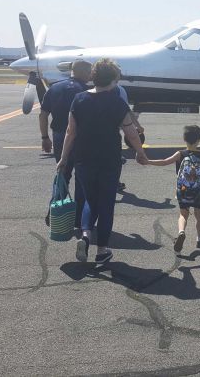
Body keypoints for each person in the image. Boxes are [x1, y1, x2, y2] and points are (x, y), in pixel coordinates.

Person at [58, 58, 147, 265]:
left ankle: (86, 235)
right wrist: (140, 152)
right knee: (106, 203)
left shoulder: (79, 99)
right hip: (109, 159)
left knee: (89, 199)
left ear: (94, 77)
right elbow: (131, 132)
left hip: (82, 158)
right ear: (114, 79)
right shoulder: (117, 102)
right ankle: (102, 249)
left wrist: (63, 158)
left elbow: (71, 132)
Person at [145, 125, 200, 253]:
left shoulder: (180, 154)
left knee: (183, 214)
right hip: (199, 192)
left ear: (185, 139)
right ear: (198, 140)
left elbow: (164, 161)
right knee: (199, 215)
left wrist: (148, 161)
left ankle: (181, 232)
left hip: (184, 190)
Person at [39, 59, 91, 227]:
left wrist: (44, 137)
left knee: (62, 174)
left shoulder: (54, 88)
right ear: (83, 72)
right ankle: (78, 218)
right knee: (82, 178)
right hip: (81, 137)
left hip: (59, 136)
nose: (90, 76)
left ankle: (54, 211)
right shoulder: (87, 91)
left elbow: (43, 115)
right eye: (89, 72)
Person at [112, 79, 143, 192]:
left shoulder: (84, 96)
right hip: (111, 136)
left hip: (90, 138)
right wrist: (140, 151)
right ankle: (115, 183)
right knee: (115, 161)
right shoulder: (119, 90)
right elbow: (127, 112)